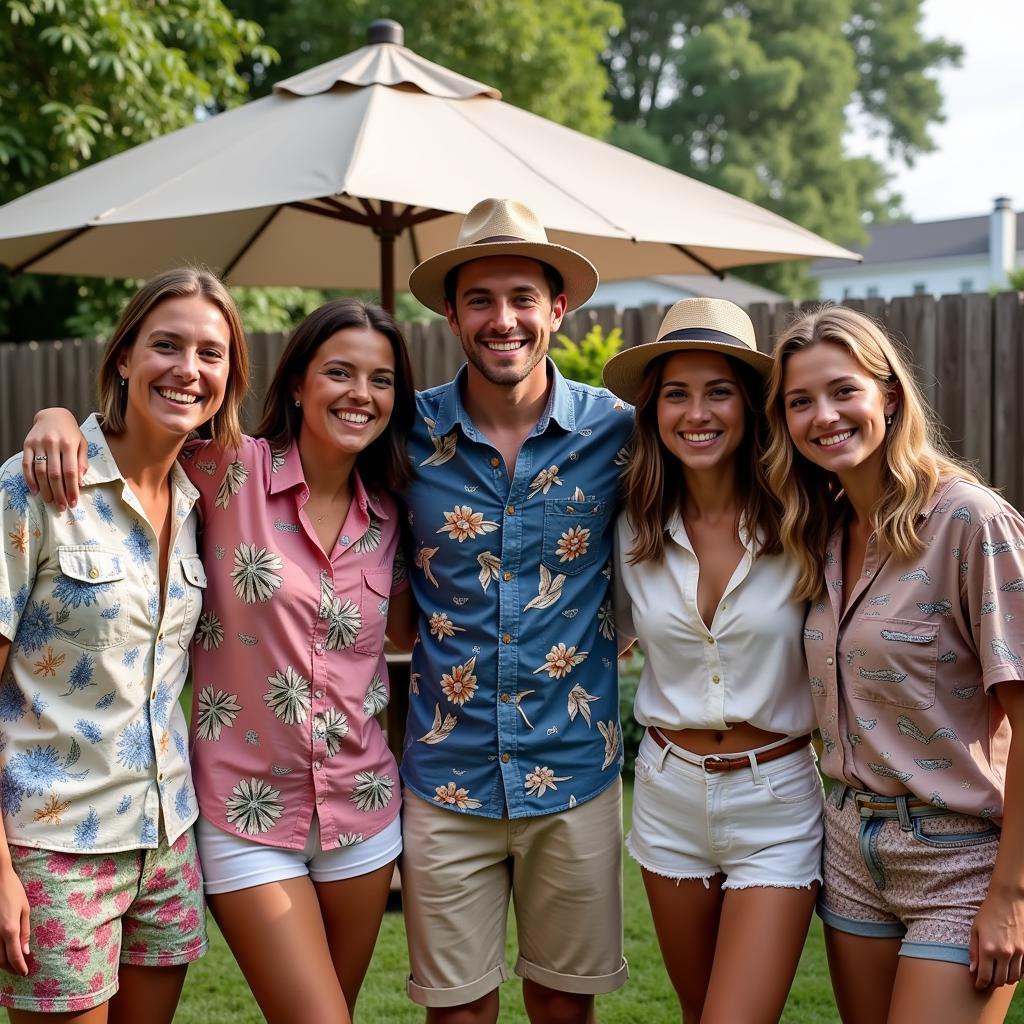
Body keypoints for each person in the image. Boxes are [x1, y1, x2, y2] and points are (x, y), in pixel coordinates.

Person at [21, 299, 417, 1024]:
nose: (361, 393)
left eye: (381, 380)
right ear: (296, 382)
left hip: (363, 814)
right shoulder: (226, 469)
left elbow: (414, 631)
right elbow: (135, 438)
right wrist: (55, 417)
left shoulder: (393, 511)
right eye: (339, 372)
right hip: (245, 815)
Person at [397, 197, 632, 1023]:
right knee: (456, 1012)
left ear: (557, 309)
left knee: (564, 1010)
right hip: (444, 783)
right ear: (454, 315)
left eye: (523, 298)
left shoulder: (623, 435)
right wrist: (66, 416)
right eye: (482, 301)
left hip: (574, 774)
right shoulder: (401, 432)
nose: (504, 320)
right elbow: (247, 456)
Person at [0, 267, 249, 1020]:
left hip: (167, 841)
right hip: (53, 848)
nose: (188, 369)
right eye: (166, 346)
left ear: (230, 376)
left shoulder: (204, 499)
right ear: (123, 359)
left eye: (210, 353)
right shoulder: (36, 486)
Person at [764, 304, 1024, 1023]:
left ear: (890, 395)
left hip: (961, 858)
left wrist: (1013, 894)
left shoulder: (971, 522)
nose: (824, 415)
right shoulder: (818, 528)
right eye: (800, 402)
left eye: (844, 390)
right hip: (850, 846)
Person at [601, 297, 823, 1024]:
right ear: (653, 411)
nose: (697, 413)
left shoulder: (807, 516)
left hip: (779, 798)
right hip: (667, 795)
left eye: (718, 390)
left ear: (750, 407)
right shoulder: (629, 521)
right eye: (676, 394)